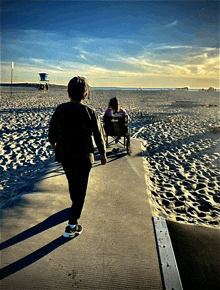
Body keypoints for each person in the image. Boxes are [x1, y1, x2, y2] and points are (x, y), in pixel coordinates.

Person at [48, 76, 107, 238]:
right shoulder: (90, 112)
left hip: (65, 156)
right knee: (81, 190)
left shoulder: (60, 109)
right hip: (84, 157)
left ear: (68, 92)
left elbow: (51, 136)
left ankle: (74, 208)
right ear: (85, 95)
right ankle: (71, 225)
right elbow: (98, 135)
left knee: (73, 184)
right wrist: (102, 154)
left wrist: (57, 148)